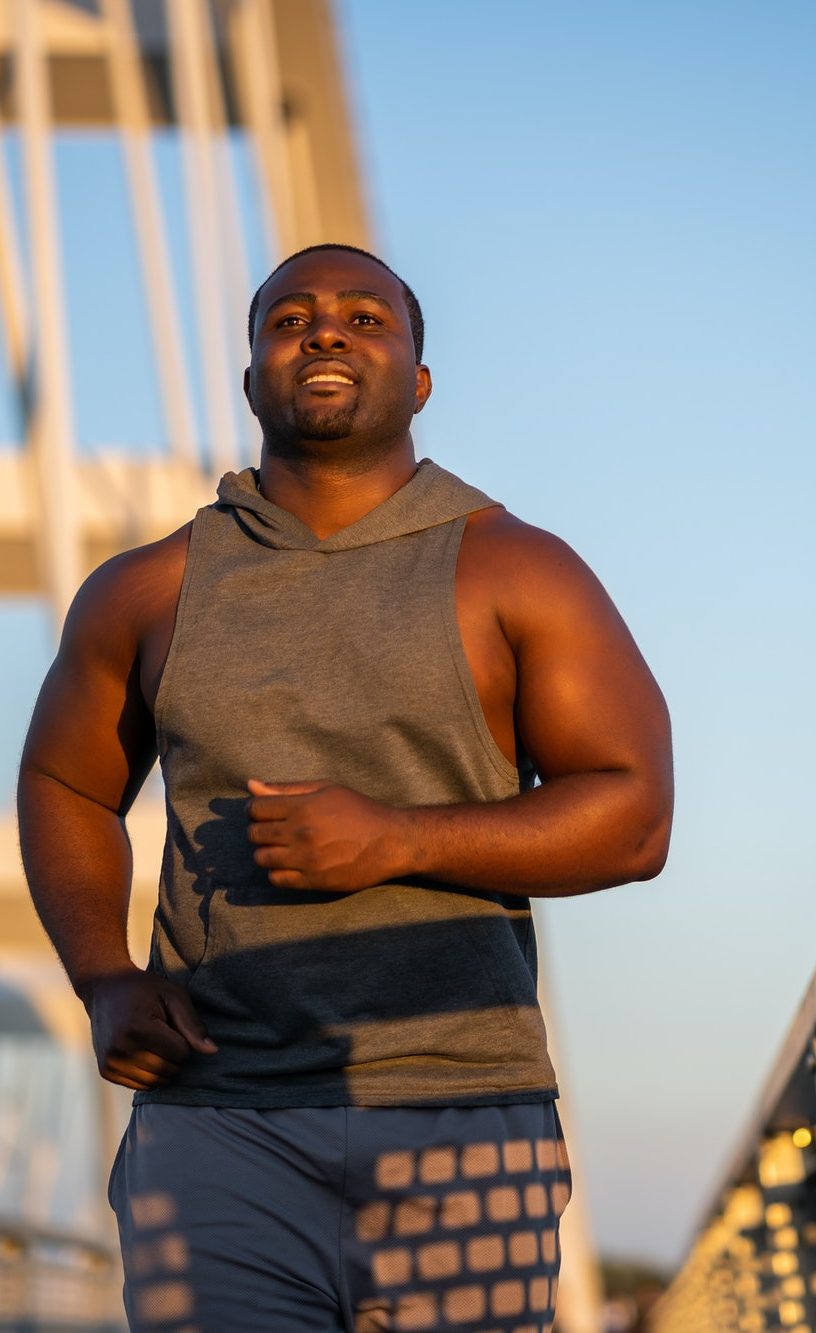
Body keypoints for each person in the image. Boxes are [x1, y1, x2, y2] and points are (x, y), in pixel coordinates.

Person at [17, 242, 674, 1331]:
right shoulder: (146, 589)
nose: (324, 331)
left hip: (463, 1109)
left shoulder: (515, 567)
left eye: (365, 318)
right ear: (250, 378)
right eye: (290, 318)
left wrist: (399, 840)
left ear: (418, 381)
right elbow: (62, 784)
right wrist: (102, 977)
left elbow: (634, 816)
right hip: (216, 1117)